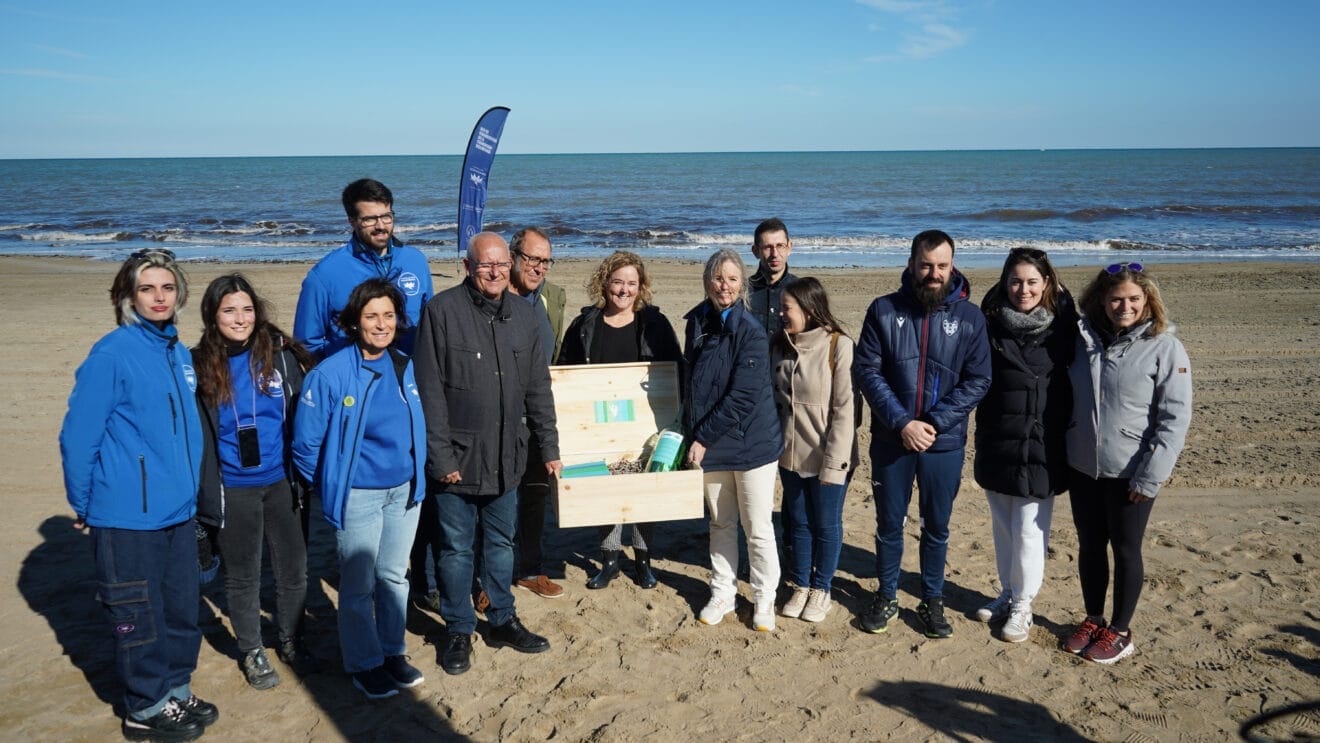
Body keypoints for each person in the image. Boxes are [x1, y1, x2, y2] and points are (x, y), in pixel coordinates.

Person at [59, 249, 219, 741]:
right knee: (138, 614)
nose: (158, 297)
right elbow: (78, 436)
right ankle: (144, 708)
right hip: (126, 515)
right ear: (129, 294)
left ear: (180, 294)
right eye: (147, 288)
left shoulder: (174, 351)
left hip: (176, 511)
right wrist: (84, 503)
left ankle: (175, 690)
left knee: (180, 607)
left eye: (167, 288)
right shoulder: (112, 353)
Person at [413, 231, 562, 676]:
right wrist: (440, 457)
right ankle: (459, 628)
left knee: (500, 544)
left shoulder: (525, 316)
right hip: (457, 460)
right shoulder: (440, 313)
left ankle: (500, 619)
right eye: (485, 265)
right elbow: (429, 394)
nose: (495, 272)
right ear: (467, 267)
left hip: (507, 457)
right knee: (455, 550)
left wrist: (549, 445)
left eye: (500, 265)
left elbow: (538, 387)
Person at [291, 278, 428, 700]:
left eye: (389, 315)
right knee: (357, 586)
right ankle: (364, 663)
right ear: (355, 322)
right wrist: (335, 486)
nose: (381, 324)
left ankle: (391, 652)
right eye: (372, 316)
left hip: (404, 492)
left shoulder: (405, 364)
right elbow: (305, 446)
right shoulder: (330, 374)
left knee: (393, 577)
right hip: (358, 496)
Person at [853, 229, 991, 638]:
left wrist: (932, 424)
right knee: (889, 523)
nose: (934, 273)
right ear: (911, 264)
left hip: (942, 443)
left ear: (953, 267)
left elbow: (978, 379)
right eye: (926, 265)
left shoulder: (970, 317)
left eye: (942, 266)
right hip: (892, 440)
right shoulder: (883, 309)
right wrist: (902, 423)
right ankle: (888, 594)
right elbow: (867, 370)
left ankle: (932, 599)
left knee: (937, 526)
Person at [1061, 262, 1192, 664]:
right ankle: (1093, 619)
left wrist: (1150, 476)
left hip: (1132, 471)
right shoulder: (1081, 340)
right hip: (1084, 467)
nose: (1125, 306)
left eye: (1134, 299)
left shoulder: (1164, 346)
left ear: (1147, 300)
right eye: (1116, 298)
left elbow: (1174, 419)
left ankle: (1120, 631)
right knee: (1089, 547)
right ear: (1101, 299)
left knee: (1126, 548)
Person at [193, 274, 315, 690]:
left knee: (293, 570)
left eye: (247, 309)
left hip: (283, 482)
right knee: (243, 576)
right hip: (234, 488)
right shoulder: (197, 364)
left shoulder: (279, 355)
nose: (240, 318)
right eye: (229, 310)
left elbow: (307, 414)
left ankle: (292, 639)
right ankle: (251, 649)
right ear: (212, 316)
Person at [557, 251, 683, 590]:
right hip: (596, 425)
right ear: (604, 283)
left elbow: (675, 373)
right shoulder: (585, 324)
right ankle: (610, 560)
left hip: (644, 425)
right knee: (605, 489)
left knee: (643, 490)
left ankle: (643, 561)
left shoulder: (654, 324)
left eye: (631, 283)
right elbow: (564, 374)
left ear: (641, 287)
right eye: (617, 282)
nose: (624, 290)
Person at [971, 249, 1076, 643]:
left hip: (1043, 441)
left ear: (1047, 283)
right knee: (1002, 524)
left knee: (1030, 529)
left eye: (1032, 281)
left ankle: (1023, 605)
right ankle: (1008, 593)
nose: (1023, 289)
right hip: (998, 436)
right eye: (1016, 281)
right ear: (1004, 282)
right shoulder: (990, 322)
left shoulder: (1066, 325)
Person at [684, 248, 784, 632]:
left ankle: (764, 597)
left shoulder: (751, 330)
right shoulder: (696, 321)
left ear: (742, 283)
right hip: (709, 443)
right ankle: (723, 591)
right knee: (721, 524)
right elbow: (691, 384)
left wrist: (703, 437)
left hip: (751, 443)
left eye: (731, 278)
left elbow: (743, 396)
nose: (723, 285)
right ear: (707, 281)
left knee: (757, 527)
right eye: (717, 277)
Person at [770, 277, 858, 623]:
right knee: (800, 524)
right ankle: (802, 585)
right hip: (789, 455)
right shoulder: (777, 345)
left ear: (808, 309)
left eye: (786, 308)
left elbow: (844, 410)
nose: (780, 313)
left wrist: (835, 465)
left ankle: (822, 588)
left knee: (826, 524)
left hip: (827, 457)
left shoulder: (839, 346)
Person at [294, 178, 433, 359]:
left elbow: (429, 325)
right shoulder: (324, 274)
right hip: (354, 380)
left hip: (409, 375)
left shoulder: (416, 261)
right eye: (369, 219)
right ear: (352, 221)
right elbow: (306, 344)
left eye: (386, 216)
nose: (381, 226)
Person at [508, 227, 568, 599]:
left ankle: (530, 570)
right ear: (514, 257)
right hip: (499, 420)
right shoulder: (495, 296)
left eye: (545, 261)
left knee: (534, 497)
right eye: (532, 259)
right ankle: (488, 578)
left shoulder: (552, 299)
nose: (539, 268)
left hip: (537, 420)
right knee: (496, 501)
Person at [747, 217, 799, 339]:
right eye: (767, 247)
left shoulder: (801, 291)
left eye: (780, 246)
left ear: (789, 248)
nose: (775, 254)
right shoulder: (742, 291)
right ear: (756, 251)